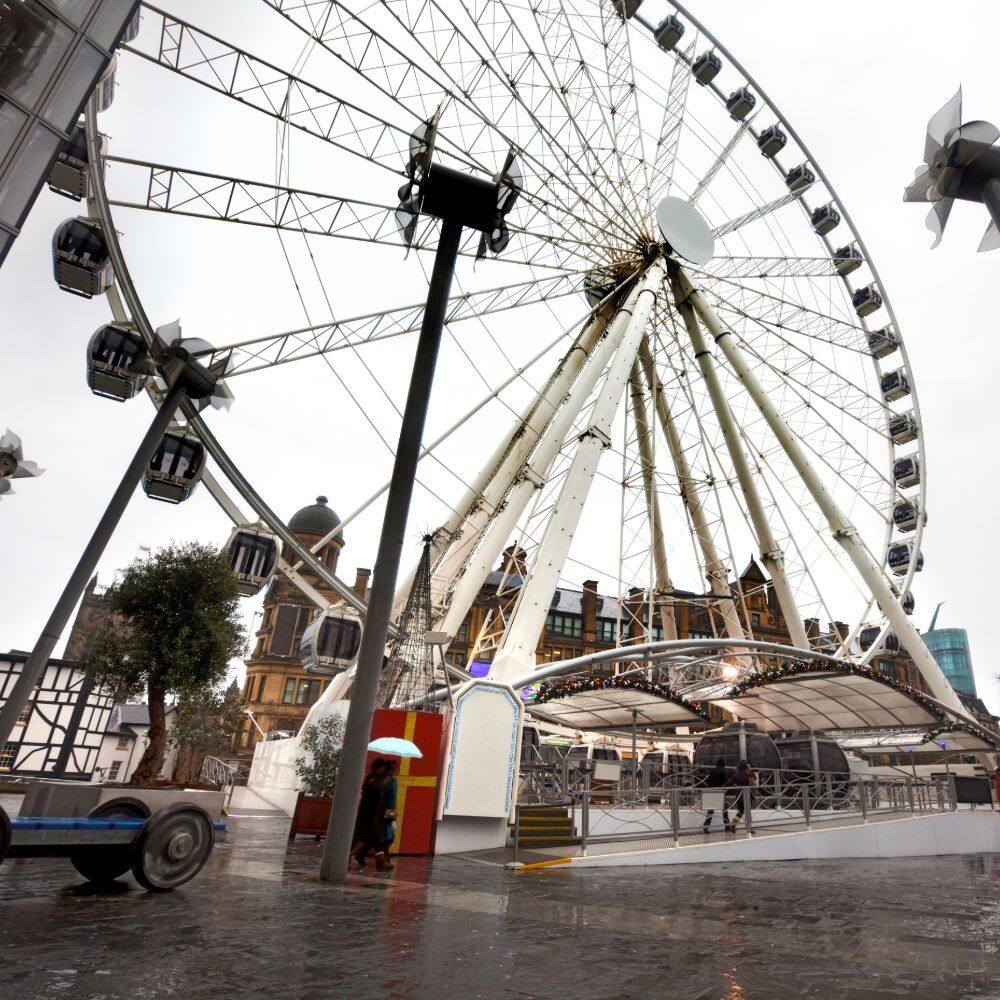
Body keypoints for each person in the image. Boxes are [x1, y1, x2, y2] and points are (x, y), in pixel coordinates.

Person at [352, 759, 389, 870]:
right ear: (378, 767)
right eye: (382, 767)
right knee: (363, 837)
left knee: (375, 838)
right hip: (368, 813)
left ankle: (380, 861)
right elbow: (375, 787)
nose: (383, 769)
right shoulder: (371, 777)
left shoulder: (378, 778)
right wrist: (384, 781)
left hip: (375, 814)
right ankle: (351, 854)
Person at [376, 758, 399, 871]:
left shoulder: (392, 780)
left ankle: (384, 858)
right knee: (386, 835)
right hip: (385, 810)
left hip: (390, 810)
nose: (393, 770)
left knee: (390, 835)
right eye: (391, 768)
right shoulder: (387, 780)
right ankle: (384, 859)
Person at [701, 757, 730, 834]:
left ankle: (706, 826)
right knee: (725, 809)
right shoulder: (723, 770)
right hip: (720, 792)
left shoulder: (712, 770)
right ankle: (727, 826)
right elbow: (726, 781)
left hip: (712, 791)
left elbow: (708, 781)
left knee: (711, 809)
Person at [727, 759, 755, 833]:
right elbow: (754, 780)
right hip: (747, 795)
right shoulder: (748, 773)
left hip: (739, 795)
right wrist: (750, 769)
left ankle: (734, 822)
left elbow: (729, 782)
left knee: (741, 811)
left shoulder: (736, 774)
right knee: (748, 812)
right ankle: (750, 828)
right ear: (746, 766)